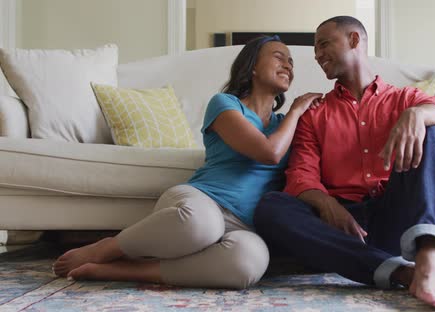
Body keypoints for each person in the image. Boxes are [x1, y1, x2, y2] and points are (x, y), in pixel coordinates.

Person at [52, 35, 323, 289]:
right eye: (279, 57)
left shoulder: (284, 126)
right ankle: (105, 249)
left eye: (291, 61)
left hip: (245, 224)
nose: (287, 64)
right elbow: (268, 152)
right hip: (201, 203)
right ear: (252, 67)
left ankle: (118, 270)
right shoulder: (225, 104)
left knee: (249, 264)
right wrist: (297, 109)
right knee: (202, 225)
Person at [253, 17, 435, 310]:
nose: (317, 55)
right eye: (316, 49)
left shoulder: (403, 98)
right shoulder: (314, 114)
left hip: (398, 219)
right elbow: (301, 175)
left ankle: (429, 260)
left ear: (354, 40)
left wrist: (417, 115)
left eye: (324, 44)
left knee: (431, 132)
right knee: (271, 207)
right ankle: (407, 274)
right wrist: (329, 206)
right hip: (342, 228)